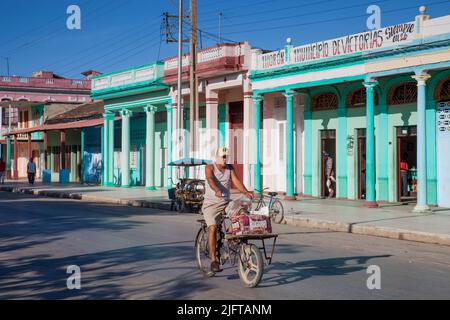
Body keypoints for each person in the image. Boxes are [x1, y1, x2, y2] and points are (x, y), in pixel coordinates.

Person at [202, 146, 253, 273]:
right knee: (212, 228)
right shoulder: (210, 167)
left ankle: (230, 238)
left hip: (225, 203)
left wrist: (246, 192)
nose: (225, 159)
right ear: (217, 157)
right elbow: (210, 179)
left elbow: (236, 181)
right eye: (223, 156)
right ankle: (214, 261)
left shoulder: (229, 168)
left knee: (242, 213)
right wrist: (216, 190)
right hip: (210, 204)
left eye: (226, 156)